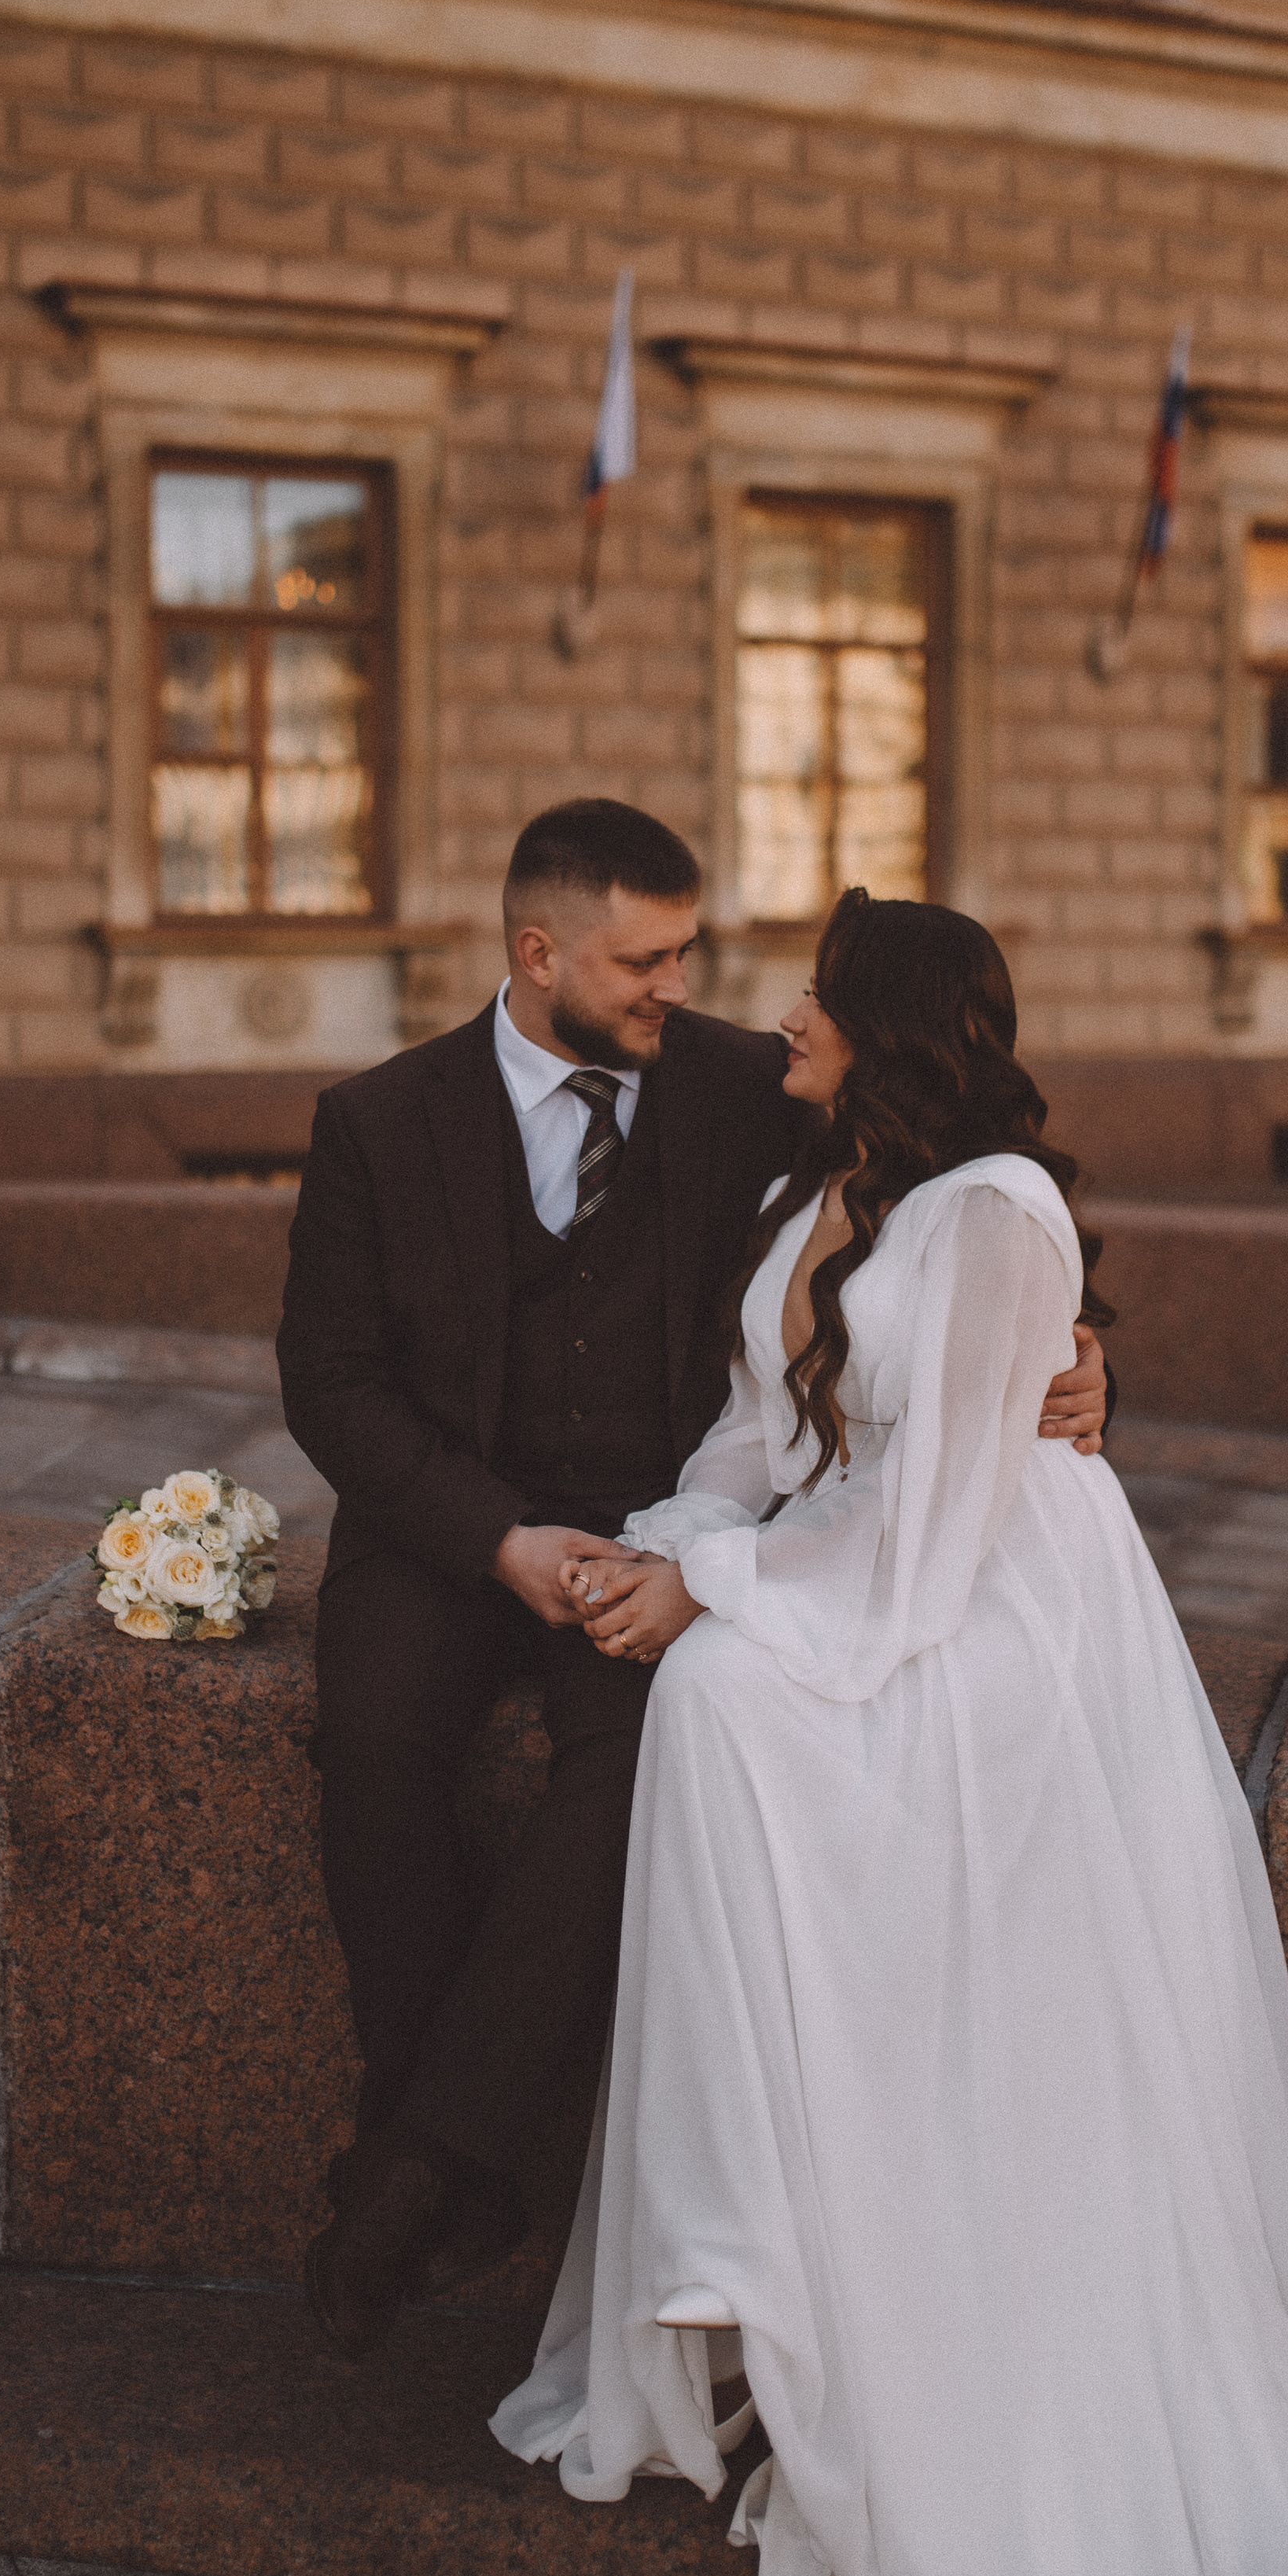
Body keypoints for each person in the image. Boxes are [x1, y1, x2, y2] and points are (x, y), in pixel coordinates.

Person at [494, 889, 1288, 2576]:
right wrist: (656, 1545)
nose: (782, 1019)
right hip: (856, 1567)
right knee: (708, 1704)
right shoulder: (815, 1185)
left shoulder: (994, 1211)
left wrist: (713, 1596)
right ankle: (755, 2254)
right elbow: (755, 1441)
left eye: (818, 997)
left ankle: (816, 2290)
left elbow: (926, 1532)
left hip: (984, 1619)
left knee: (726, 1711)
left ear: (884, 1027)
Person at [277, 806, 1110, 2359]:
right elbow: (327, 1381)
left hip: (666, 1524)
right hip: (445, 1536)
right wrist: (496, 1538)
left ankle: (409, 2169)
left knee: (629, 1766)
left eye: (689, 950)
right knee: (376, 1751)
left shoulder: (745, 1082)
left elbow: (956, 1198)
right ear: (539, 954)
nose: (682, 981)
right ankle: (437, 2146)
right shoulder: (376, 1121)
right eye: (644, 957)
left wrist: (1070, 1343)